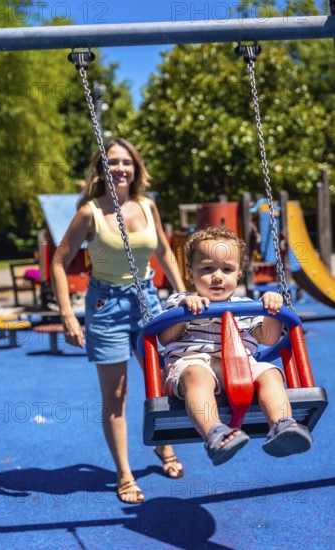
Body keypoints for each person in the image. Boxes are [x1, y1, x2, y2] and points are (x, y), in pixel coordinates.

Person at [50, 138, 186, 503]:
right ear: (100, 170)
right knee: (116, 397)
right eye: (112, 162)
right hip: (106, 306)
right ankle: (125, 474)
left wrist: (184, 292)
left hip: (148, 301)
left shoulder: (147, 205)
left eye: (127, 162)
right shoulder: (89, 213)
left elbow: (164, 252)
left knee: (163, 383)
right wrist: (67, 314)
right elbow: (59, 262)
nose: (120, 168)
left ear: (136, 168)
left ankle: (165, 447)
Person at [158, 226, 313, 467]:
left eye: (227, 269)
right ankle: (215, 434)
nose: (217, 276)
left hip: (241, 365)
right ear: (190, 273)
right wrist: (184, 312)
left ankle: (282, 425)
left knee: (270, 373)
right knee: (197, 376)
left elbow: (269, 338)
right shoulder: (182, 301)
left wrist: (271, 310)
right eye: (207, 269)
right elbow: (165, 338)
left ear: (238, 274)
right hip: (194, 362)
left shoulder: (247, 305)